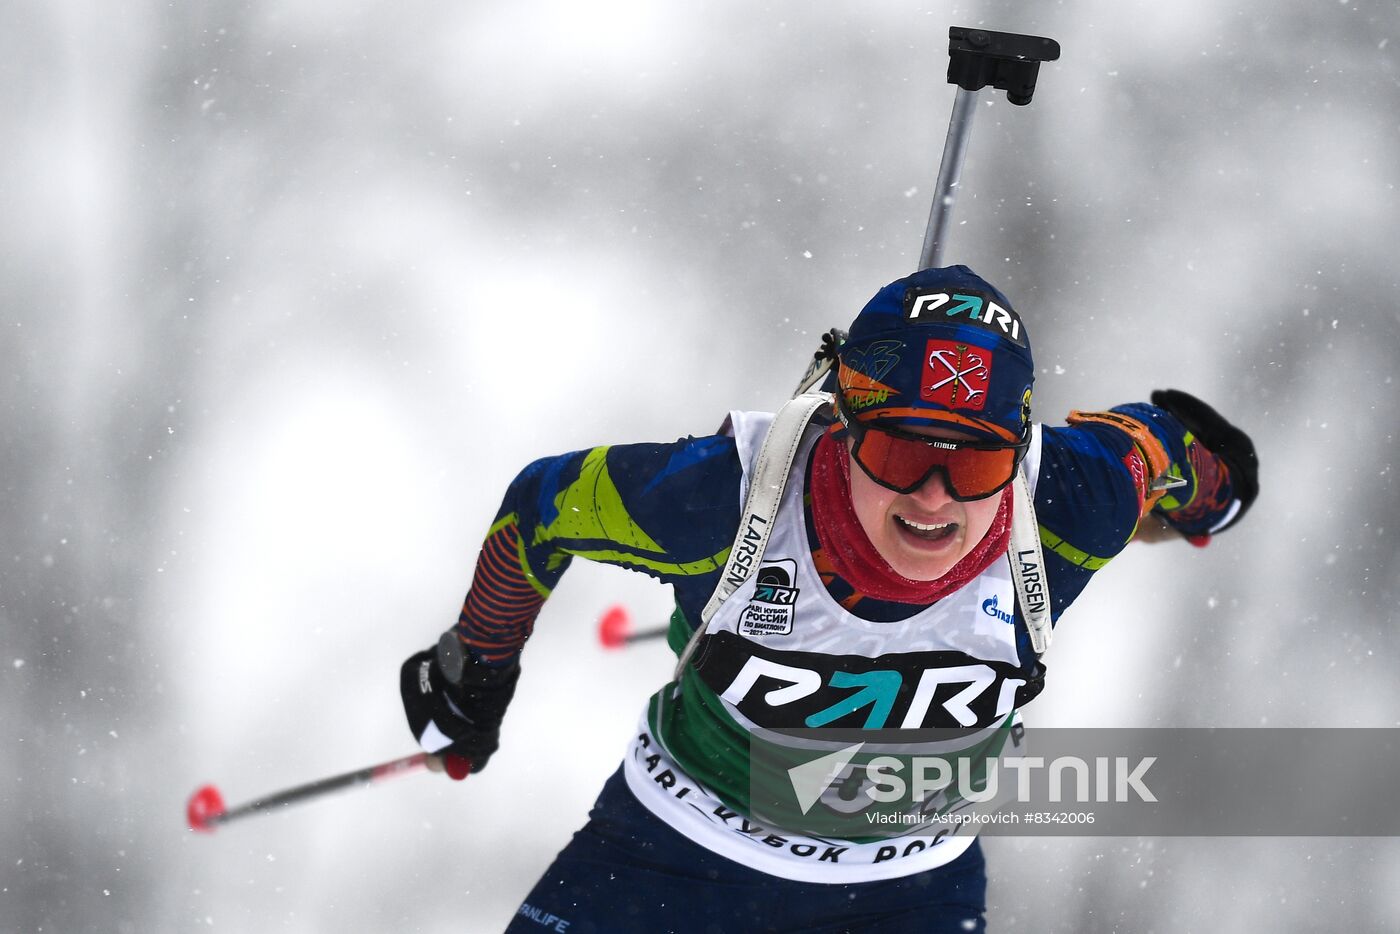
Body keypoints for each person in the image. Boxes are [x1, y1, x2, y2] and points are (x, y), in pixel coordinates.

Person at [400, 265, 1259, 933]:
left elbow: (1156, 448)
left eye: (973, 465)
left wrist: (1210, 491)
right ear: (844, 424)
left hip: (904, 894)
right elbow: (540, 508)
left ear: (1019, 446)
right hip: (671, 858)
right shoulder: (720, 501)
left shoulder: (1075, 498)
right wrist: (475, 668)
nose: (934, 500)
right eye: (898, 454)